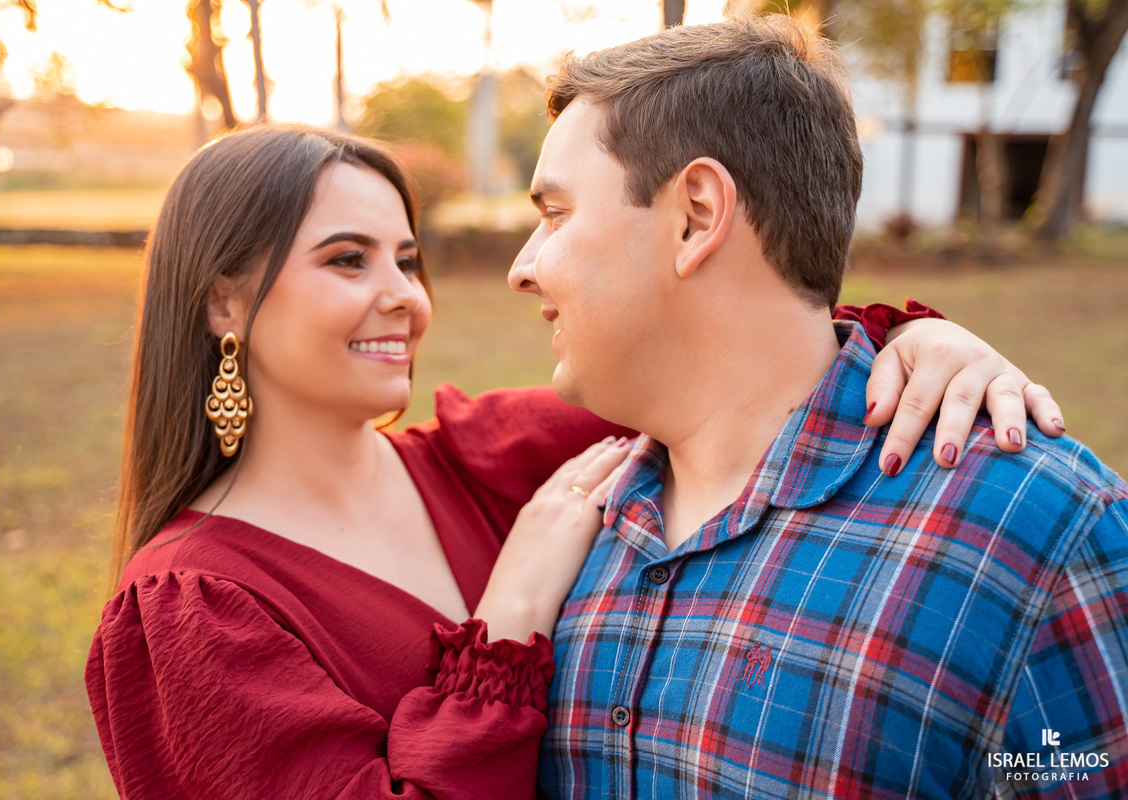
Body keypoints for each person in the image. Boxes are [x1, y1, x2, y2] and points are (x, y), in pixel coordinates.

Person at [87, 125, 1057, 798]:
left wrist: (913, 346)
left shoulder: (487, 459)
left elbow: (740, 369)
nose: (405, 297)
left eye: (408, 258)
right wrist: (503, 623)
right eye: (348, 260)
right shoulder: (190, 607)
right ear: (222, 303)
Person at [506, 15, 1128, 800]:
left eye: (555, 214)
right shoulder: (575, 517)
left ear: (697, 215)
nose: (522, 267)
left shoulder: (1037, 533)